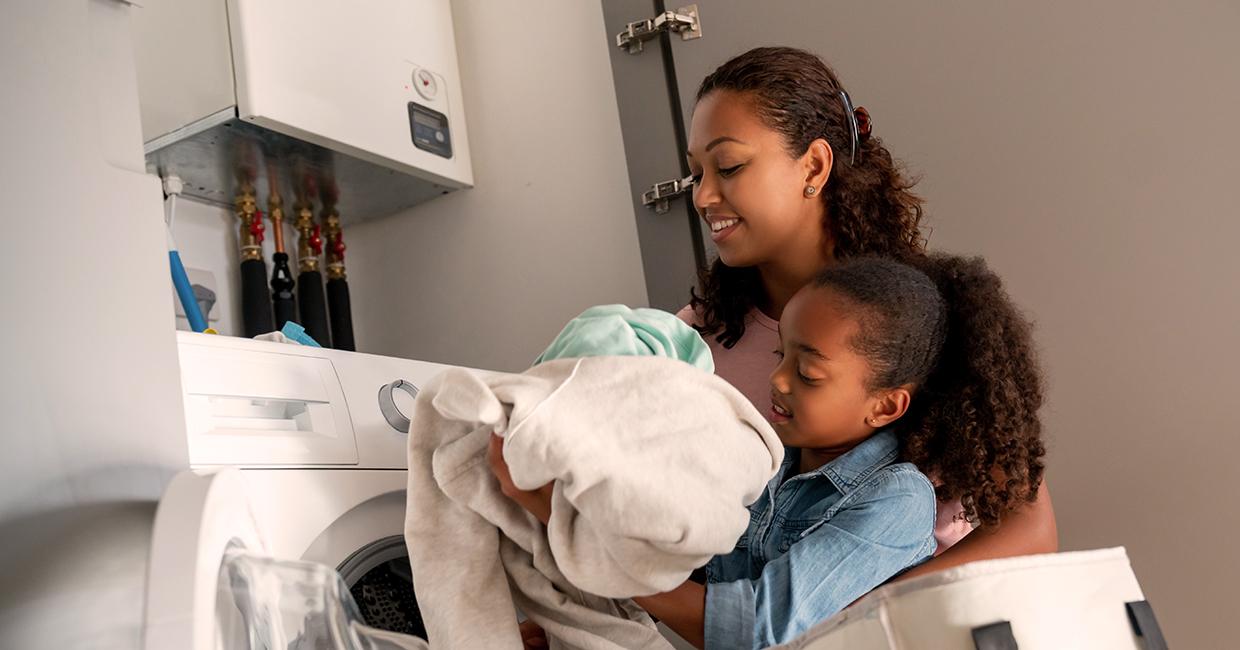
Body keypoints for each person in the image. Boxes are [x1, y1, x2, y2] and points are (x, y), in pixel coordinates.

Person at [494, 255, 1047, 648]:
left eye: (807, 371)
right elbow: (695, 571)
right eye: (781, 356)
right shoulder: (767, 464)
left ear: (885, 407)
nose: (778, 381)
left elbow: (756, 629)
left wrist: (577, 529)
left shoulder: (897, 502)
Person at [676, 46, 1056, 566]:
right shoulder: (688, 345)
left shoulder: (925, 322)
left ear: (813, 165)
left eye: (729, 166)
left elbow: (1030, 531)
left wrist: (836, 619)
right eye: (697, 174)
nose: (702, 197)